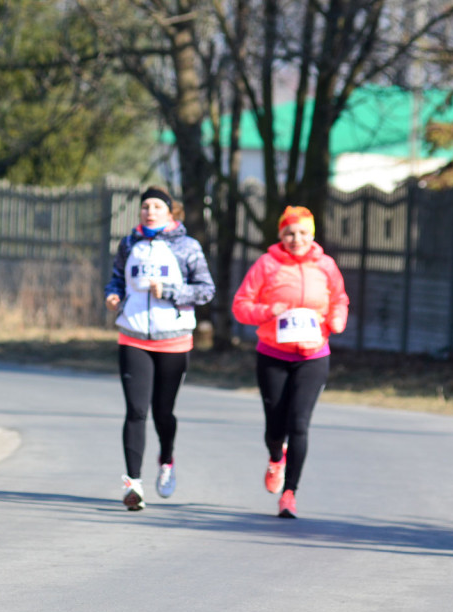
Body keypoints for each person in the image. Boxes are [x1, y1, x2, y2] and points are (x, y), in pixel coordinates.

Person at [231, 205, 349, 518]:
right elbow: (241, 305)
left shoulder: (326, 265)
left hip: (313, 356)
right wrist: (268, 312)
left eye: (303, 233)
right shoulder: (267, 264)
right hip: (273, 354)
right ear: (281, 234)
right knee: (275, 425)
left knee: (299, 424)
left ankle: (289, 494)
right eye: (290, 233)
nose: (297, 239)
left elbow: (339, 299)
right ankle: (275, 458)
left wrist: (335, 321)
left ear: (313, 235)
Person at [104, 186, 214, 510]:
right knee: (136, 411)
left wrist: (168, 290)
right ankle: (133, 484)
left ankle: (166, 459)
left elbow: (206, 290)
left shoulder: (187, 246)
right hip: (133, 335)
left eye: (156, 206)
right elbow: (116, 280)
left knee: (162, 412)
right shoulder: (129, 244)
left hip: (173, 339)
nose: (149, 211)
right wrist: (113, 296)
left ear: (170, 211)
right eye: (145, 206)